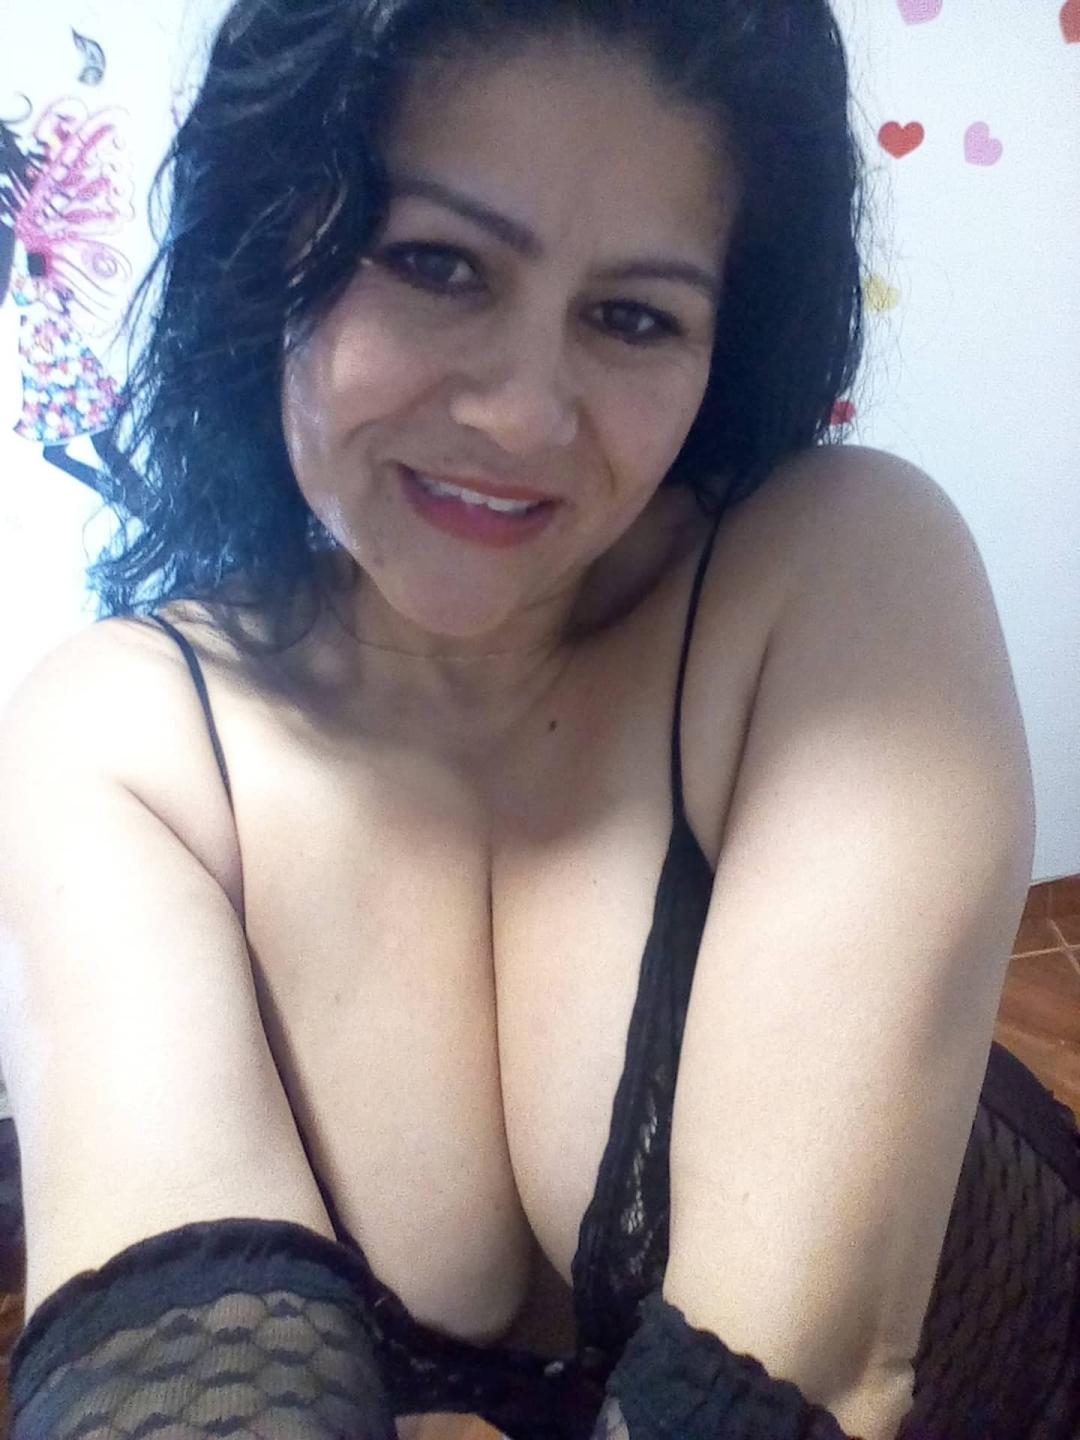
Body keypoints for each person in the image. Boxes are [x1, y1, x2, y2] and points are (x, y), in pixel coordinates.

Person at [0, 2, 1076, 1438]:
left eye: (633, 317)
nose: (521, 416)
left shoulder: (834, 575)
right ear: (273, 247)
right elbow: (168, 1389)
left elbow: (794, 1390)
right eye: (437, 263)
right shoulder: (123, 743)